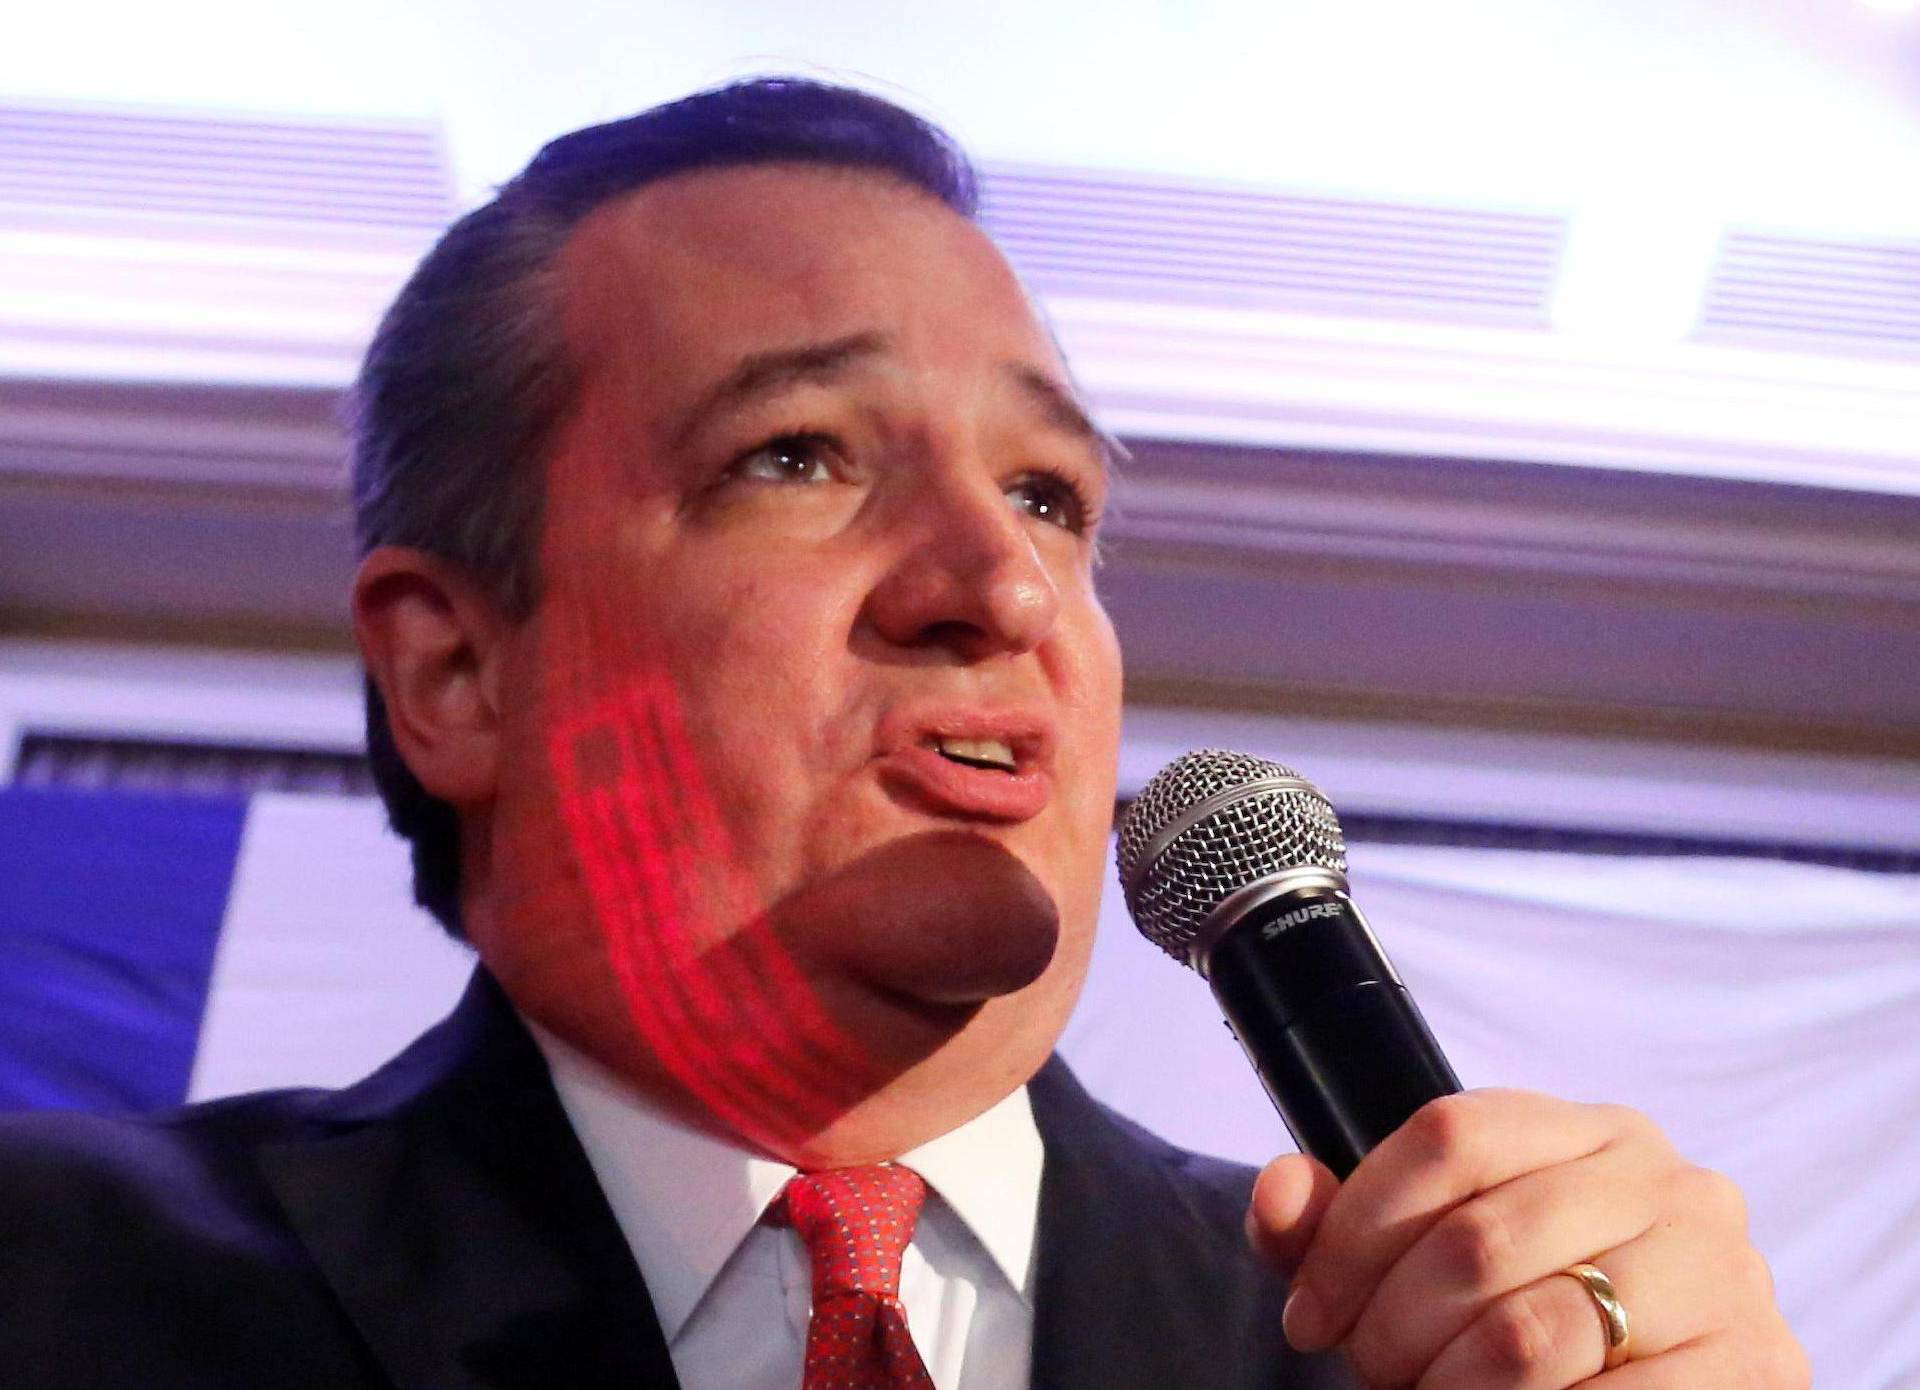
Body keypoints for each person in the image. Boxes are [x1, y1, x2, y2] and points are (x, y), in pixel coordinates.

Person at [0, 77, 1808, 1389]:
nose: (1000, 587)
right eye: (797, 457)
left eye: (1047, 495)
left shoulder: (1421, 1363)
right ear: (457, 671)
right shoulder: (55, 1288)